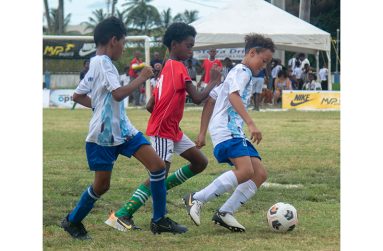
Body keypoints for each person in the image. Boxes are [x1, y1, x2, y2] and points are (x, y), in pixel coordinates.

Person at [61, 17, 187, 240]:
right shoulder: (102, 63)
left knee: (158, 167)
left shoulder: (97, 63)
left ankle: (159, 220)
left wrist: (99, 105)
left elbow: (78, 95)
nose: (123, 47)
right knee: (102, 186)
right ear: (113, 40)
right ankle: (72, 220)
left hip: (124, 131)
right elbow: (118, 93)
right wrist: (142, 77)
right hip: (103, 136)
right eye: (123, 43)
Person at [105, 22, 222, 232]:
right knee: (158, 173)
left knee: (199, 162)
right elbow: (197, 98)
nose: (190, 50)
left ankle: (159, 189)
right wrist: (213, 81)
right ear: (175, 44)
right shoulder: (177, 67)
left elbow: (151, 105)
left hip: (171, 130)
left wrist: (165, 116)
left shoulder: (167, 67)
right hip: (163, 131)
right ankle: (122, 215)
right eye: (188, 45)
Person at [183, 33, 274, 232]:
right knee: (246, 171)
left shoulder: (235, 73)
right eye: (263, 60)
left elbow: (212, 100)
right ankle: (196, 199)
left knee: (259, 174)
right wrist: (251, 124)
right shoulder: (242, 72)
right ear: (252, 53)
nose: (264, 65)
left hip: (232, 131)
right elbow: (233, 96)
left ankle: (225, 212)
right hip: (228, 130)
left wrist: (202, 133)